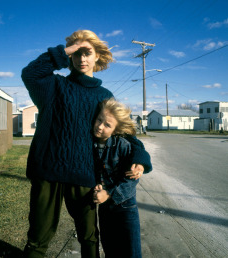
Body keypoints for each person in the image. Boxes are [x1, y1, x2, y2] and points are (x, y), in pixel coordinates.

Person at [21, 29, 152, 258]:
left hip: (84, 175)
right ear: (69, 56)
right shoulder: (53, 86)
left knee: (89, 237)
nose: (82, 58)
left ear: (97, 57)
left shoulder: (104, 95)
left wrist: (140, 158)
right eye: (76, 53)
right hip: (47, 173)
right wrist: (67, 49)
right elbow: (30, 74)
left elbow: (125, 133)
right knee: (38, 238)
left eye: (87, 53)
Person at [93, 98, 152, 258]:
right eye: (99, 119)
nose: (100, 126)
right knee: (110, 249)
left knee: (131, 251)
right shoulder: (89, 144)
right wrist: (98, 186)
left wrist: (109, 193)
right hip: (105, 209)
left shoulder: (123, 145)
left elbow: (131, 180)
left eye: (107, 125)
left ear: (116, 129)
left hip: (125, 207)